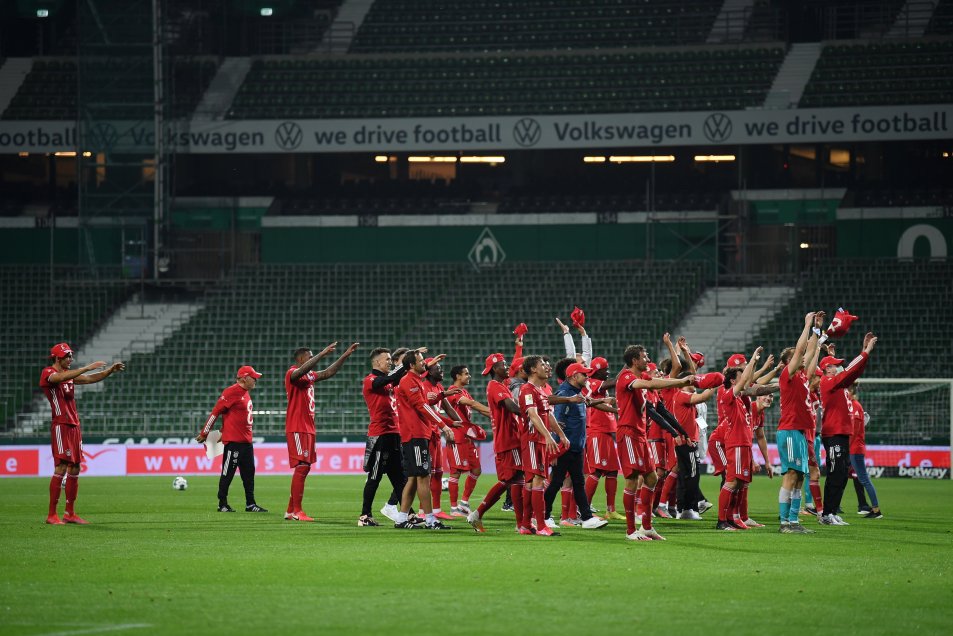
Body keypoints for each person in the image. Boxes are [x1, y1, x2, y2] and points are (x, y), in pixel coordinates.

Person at [616, 344, 695, 541]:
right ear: (634, 360)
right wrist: (679, 381)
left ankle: (647, 527)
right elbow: (651, 385)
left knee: (651, 478)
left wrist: (679, 430)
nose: (647, 359)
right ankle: (630, 530)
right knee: (632, 480)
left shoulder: (643, 378)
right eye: (644, 356)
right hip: (628, 433)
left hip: (641, 434)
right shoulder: (626, 377)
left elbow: (656, 390)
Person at [40, 343, 125, 524]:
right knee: (61, 467)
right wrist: (85, 367)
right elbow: (59, 378)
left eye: (71, 356)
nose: (70, 359)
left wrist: (109, 371)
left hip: (74, 426)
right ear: (57, 358)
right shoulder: (48, 373)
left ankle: (69, 513)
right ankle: (51, 515)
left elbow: (90, 379)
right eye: (67, 357)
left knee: (75, 467)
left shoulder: (69, 376)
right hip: (61, 426)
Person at [284, 341, 359, 523]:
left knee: (305, 467)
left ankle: (290, 510)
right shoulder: (292, 373)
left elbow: (328, 372)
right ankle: (297, 511)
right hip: (297, 426)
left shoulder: (308, 375)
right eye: (309, 357)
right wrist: (322, 354)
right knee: (302, 466)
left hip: (308, 427)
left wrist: (345, 355)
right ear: (301, 359)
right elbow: (301, 371)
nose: (311, 359)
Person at [393, 350, 460, 530]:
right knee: (424, 476)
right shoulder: (409, 381)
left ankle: (401, 518)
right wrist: (443, 426)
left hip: (417, 434)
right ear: (411, 366)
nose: (424, 364)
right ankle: (430, 519)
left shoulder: (414, 380)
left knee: (414, 478)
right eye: (421, 361)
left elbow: (425, 405)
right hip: (415, 434)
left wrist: (448, 420)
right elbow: (422, 406)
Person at [819, 332, 878, 526]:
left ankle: (832, 511)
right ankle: (827, 514)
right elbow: (849, 371)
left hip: (842, 434)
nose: (839, 367)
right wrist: (866, 351)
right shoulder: (828, 383)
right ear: (828, 369)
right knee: (835, 473)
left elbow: (852, 371)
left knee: (842, 474)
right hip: (833, 434)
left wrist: (860, 354)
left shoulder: (840, 385)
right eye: (835, 365)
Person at [543, 362, 609, 530]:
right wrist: (556, 450)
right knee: (557, 482)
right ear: (574, 376)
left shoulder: (577, 393)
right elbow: (557, 421)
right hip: (565, 447)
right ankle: (543, 515)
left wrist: (604, 401)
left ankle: (586, 518)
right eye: (584, 374)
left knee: (578, 482)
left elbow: (588, 402)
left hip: (576, 447)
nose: (587, 377)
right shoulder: (565, 393)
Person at [467, 353, 527, 532]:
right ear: (495, 368)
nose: (507, 366)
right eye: (503, 364)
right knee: (517, 479)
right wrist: (530, 413)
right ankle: (520, 524)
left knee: (509, 480)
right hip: (508, 439)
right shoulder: (495, 386)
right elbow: (511, 406)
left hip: (507, 439)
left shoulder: (501, 385)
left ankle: (477, 514)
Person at [776, 312, 824, 534]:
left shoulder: (804, 378)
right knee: (791, 475)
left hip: (801, 432)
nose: (802, 358)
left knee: (800, 476)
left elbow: (812, 352)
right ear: (789, 362)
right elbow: (802, 350)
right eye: (796, 356)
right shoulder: (788, 375)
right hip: (790, 430)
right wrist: (806, 325)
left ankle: (793, 521)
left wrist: (817, 329)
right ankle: (785, 522)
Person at [197, 365, 268, 513]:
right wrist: (205, 432)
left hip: (247, 442)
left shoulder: (245, 392)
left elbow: (233, 417)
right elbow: (216, 412)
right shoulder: (231, 392)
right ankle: (222, 503)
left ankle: (250, 504)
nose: (256, 380)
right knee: (227, 473)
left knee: (249, 475)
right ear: (244, 378)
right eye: (253, 378)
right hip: (234, 443)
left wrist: (223, 430)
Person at [361, 347, 415, 525]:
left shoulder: (387, 381)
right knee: (374, 477)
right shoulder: (370, 380)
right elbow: (391, 377)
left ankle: (409, 514)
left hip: (393, 434)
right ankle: (365, 516)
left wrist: (415, 361)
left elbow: (401, 375)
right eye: (387, 359)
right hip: (380, 436)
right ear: (377, 362)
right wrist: (407, 358)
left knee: (399, 478)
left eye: (391, 359)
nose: (390, 362)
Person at [519, 355, 569, 536]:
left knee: (533, 482)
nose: (547, 367)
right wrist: (548, 436)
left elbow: (548, 415)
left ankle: (526, 524)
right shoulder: (527, 390)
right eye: (543, 365)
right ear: (533, 369)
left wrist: (561, 435)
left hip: (540, 440)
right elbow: (533, 414)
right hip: (532, 440)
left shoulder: (541, 391)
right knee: (537, 479)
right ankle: (540, 526)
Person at [716, 348, 763, 531]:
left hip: (743, 443)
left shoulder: (740, 399)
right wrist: (752, 360)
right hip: (735, 443)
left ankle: (732, 518)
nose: (744, 378)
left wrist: (757, 364)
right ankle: (722, 521)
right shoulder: (728, 395)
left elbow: (748, 381)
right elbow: (745, 380)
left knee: (741, 483)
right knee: (732, 482)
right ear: (733, 380)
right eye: (740, 375)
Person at [445, 364, 491, 516]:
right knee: (456, 472)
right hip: (457, 437)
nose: (469, 376)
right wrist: (495, 413)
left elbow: (477, 407)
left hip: (467, 438)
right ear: (458, 376)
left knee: (476, 469)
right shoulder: (453, 391)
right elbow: (472, 404)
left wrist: (495, 417)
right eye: (466, 373)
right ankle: (453, 508)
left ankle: (464, 503)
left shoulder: (464, 391)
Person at [583, 356, 623, 520]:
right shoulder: (592, 383)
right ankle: (583, 509)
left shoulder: (601, 387)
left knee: (612, 471)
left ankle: (610, 510)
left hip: (606, 433)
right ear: (597, 371)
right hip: (596, 432)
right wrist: (627, 367)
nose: (608, 372)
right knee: (597, 470)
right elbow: (614, 382)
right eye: (605, 369)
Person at [422, 358, 462, 520]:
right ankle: (423, 512)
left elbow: (447, 407)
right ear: (429, 372)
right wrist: (450, 423)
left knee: (438, 473)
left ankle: (437, 510)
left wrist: (460, 423)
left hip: (436, 435)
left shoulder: (438, 387)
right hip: (425, 435)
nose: (441, 370)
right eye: (438, 368)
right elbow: (431, 409)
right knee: (427, 475)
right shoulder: (424, 387)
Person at [848, 383, 882, 518]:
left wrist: (846, 447)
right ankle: (869, 507)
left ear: (851, 391)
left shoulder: (856, 406)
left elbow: (854, 431)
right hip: (854, 449)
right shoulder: (852, 405)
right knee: (862, 478)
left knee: (864, 479)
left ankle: (876, 510)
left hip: (855, 449)